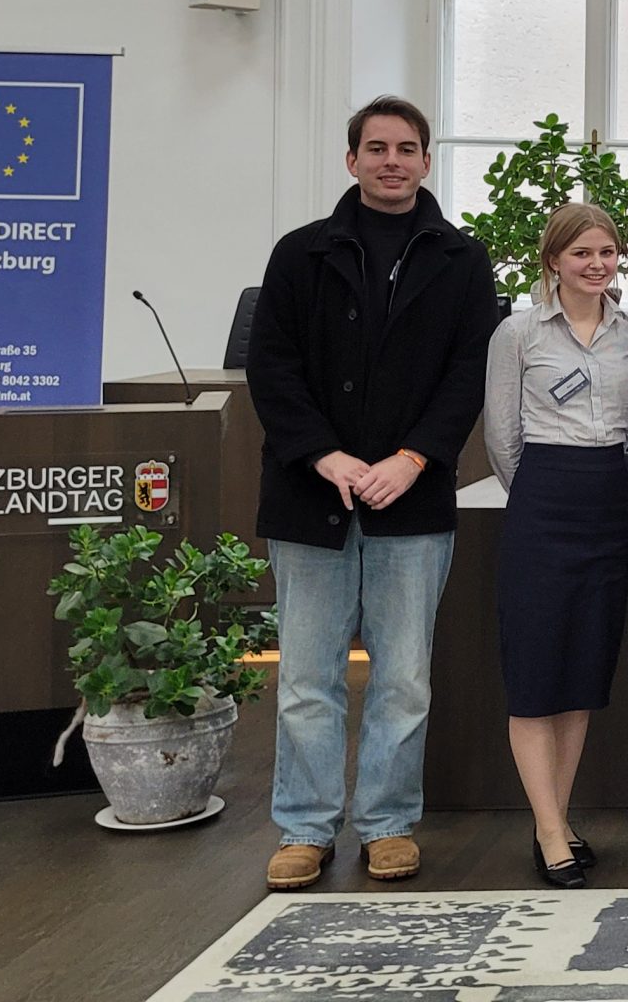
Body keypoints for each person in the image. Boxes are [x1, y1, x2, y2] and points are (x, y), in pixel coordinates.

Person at [248, 95, 498, 892]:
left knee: (403, 678)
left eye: (407, 148)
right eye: (378, 148)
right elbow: (271, 367)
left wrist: (413, 459)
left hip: (411, 499)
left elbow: (469, 375)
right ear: (352, 159)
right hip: (309, 495)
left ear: (427, 160)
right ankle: (304, 828)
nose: (393, 161)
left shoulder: (463, 260)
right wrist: (323, 454)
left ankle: (388, 824)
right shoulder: (300, 253)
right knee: (306, 677)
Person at [480, 202, 628, 886]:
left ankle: (558, 817)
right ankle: (548, 831)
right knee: (535, 673)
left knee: (582, 670)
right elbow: (501, 437)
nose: (596, 265)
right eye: (582, 253)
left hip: (606, 497)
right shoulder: (517, 333)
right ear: (553, 260)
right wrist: (538, 492)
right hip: (541, 501)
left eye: (607, 252)